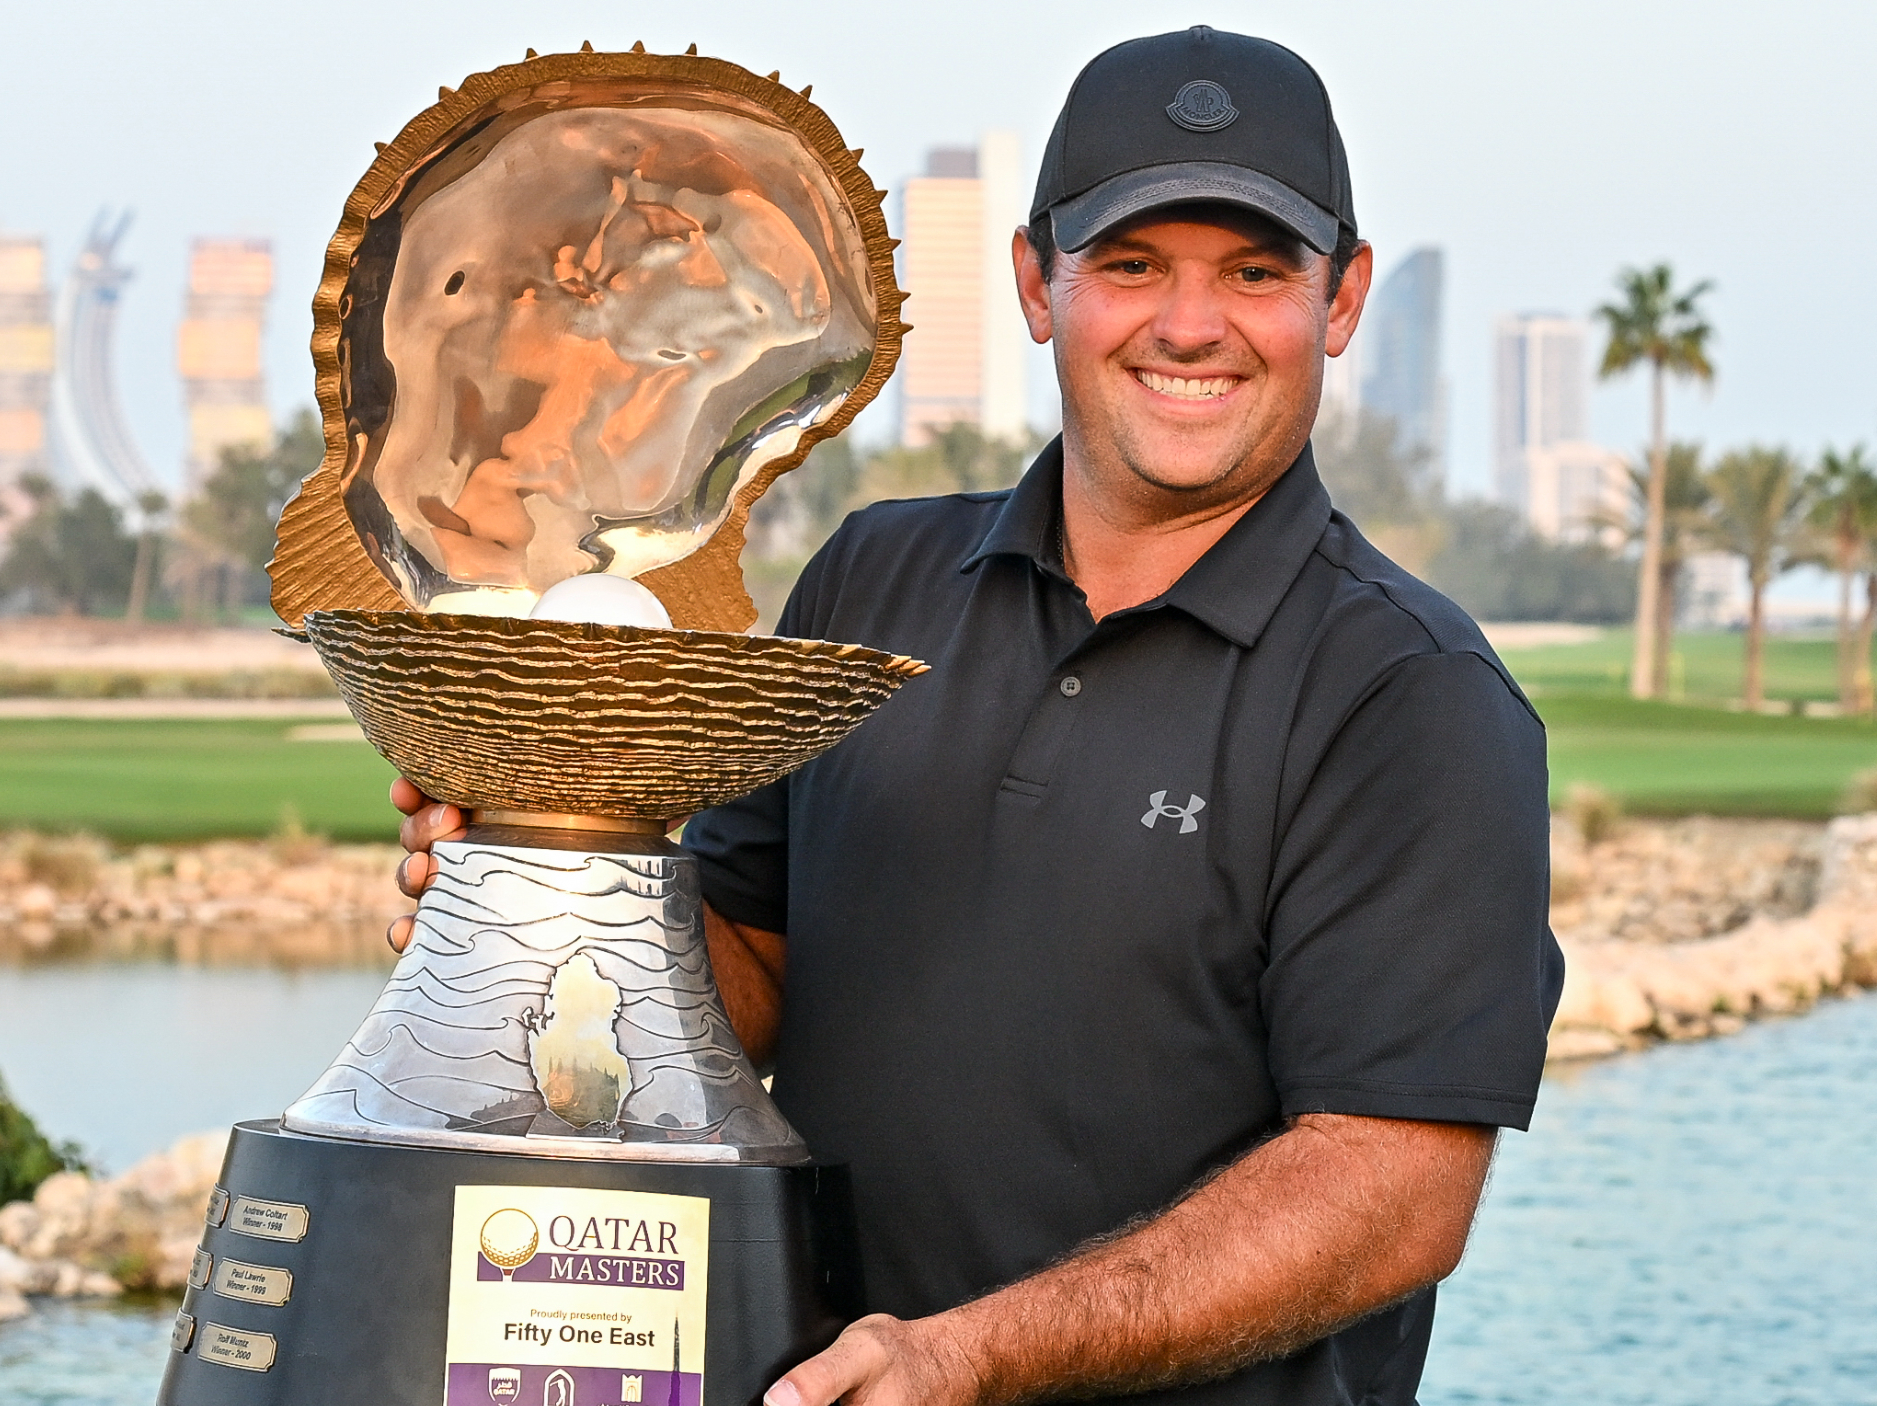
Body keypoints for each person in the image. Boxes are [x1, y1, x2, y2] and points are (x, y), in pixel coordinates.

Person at [391, 26, 1559, 1406]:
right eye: (1132, 265)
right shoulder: (874, 579)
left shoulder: (1408, 693)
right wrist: (546, 877)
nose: (1192, 325)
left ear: (1342, 298)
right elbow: (747, 972)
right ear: (1034, 282)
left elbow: (1393, 1188)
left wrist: (966, 1358)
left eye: (1256, 272)